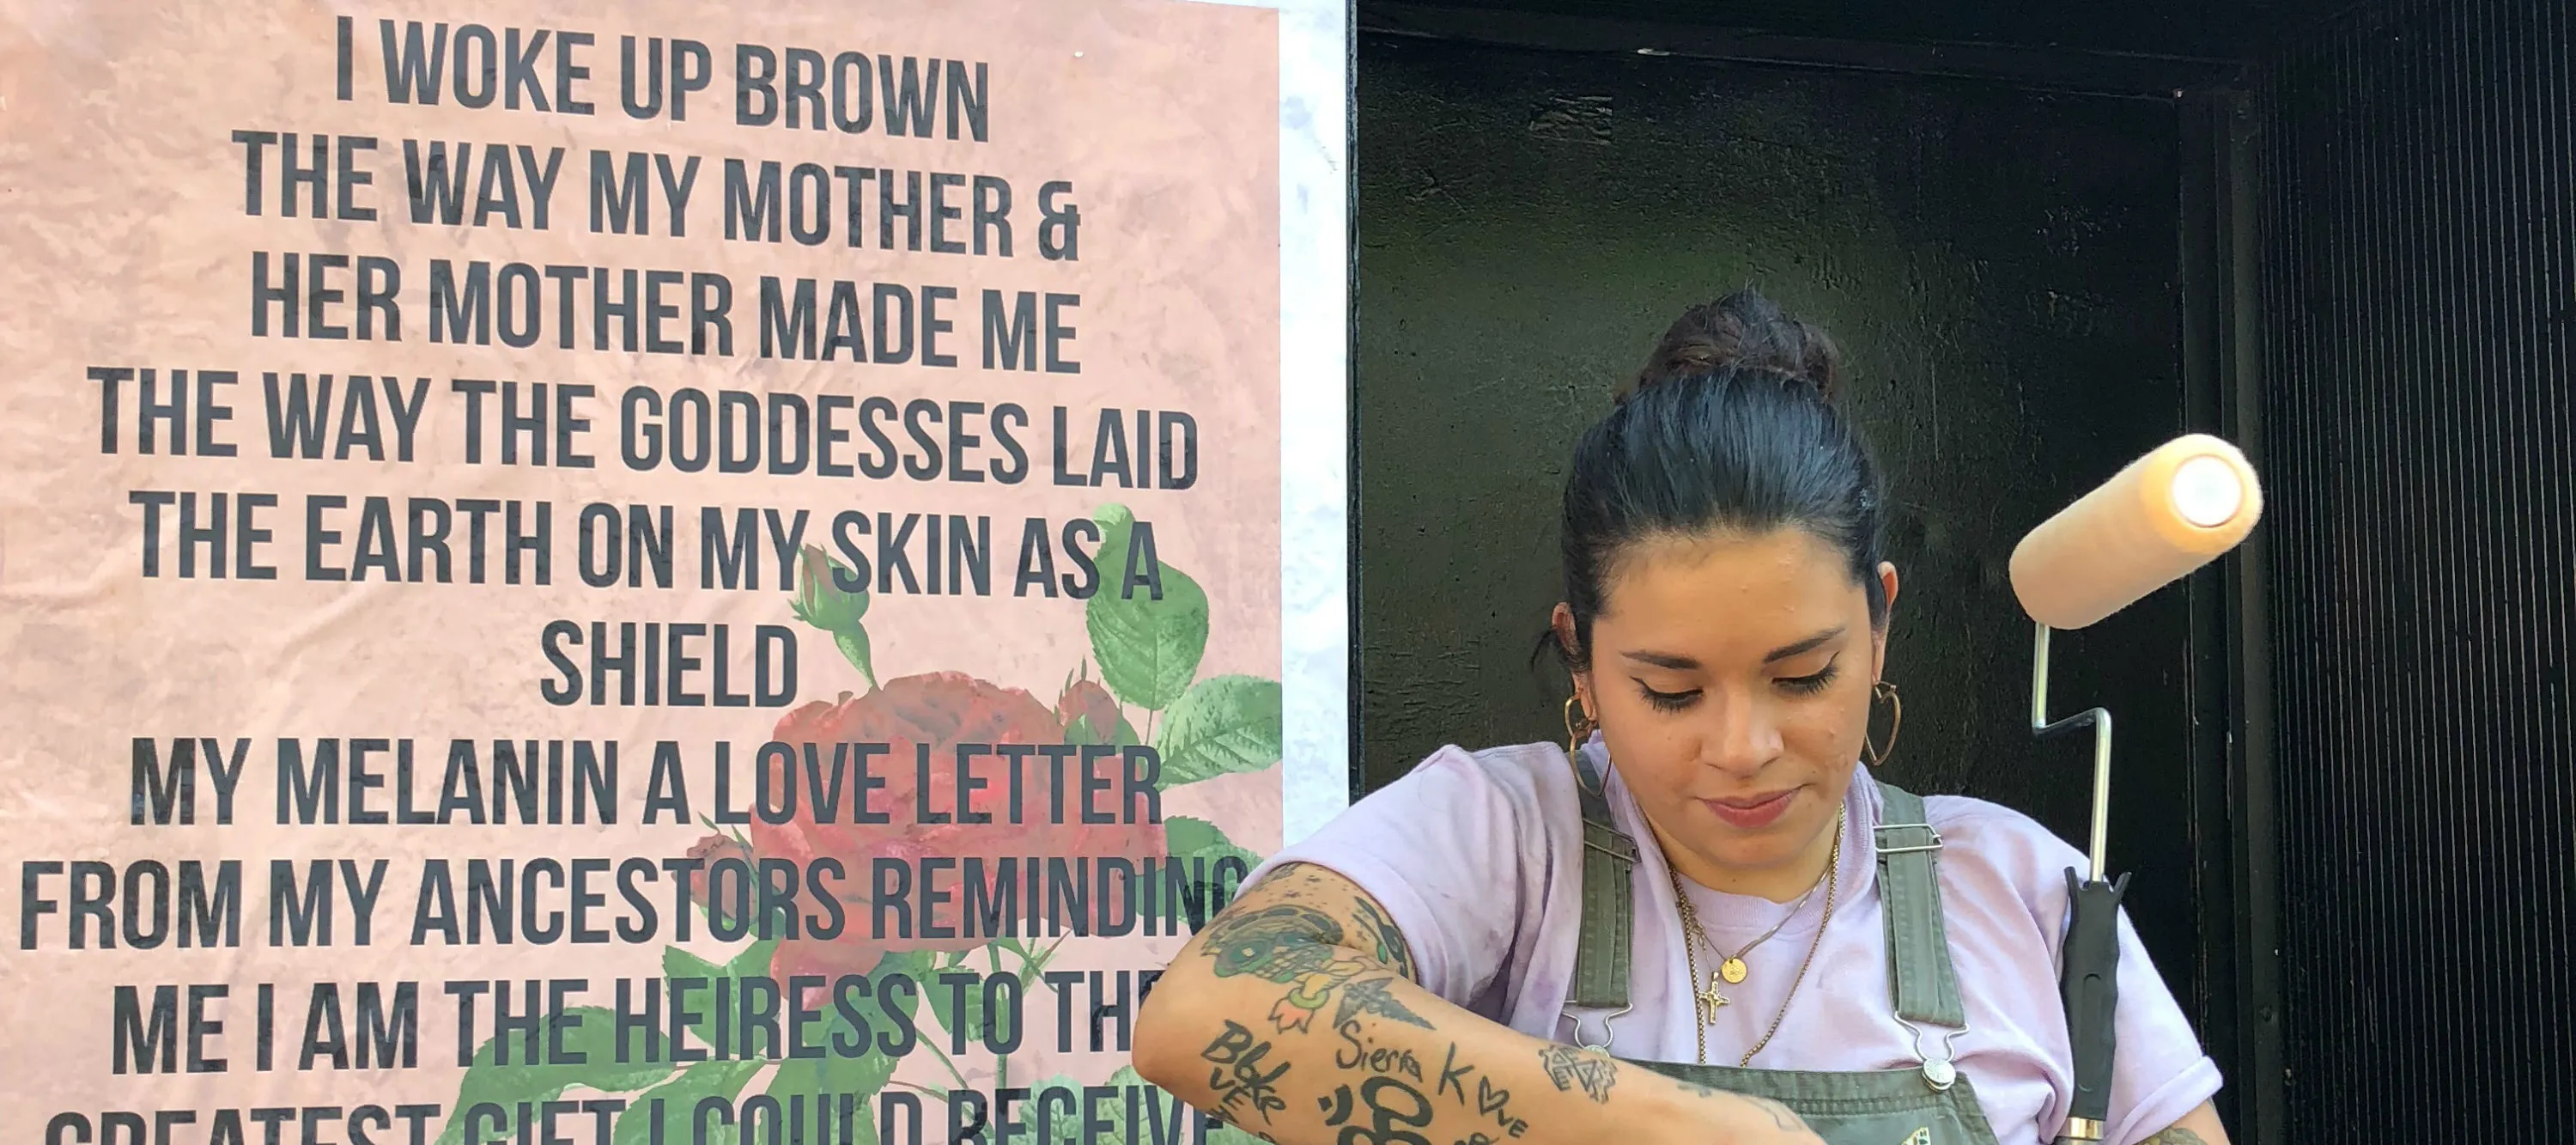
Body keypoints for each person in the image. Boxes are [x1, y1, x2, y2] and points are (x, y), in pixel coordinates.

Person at [1132, 290, 2229, 1145]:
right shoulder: (1509, 839)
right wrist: (1675, 1123)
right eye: (1670, 690)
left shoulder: (2022, 893)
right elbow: (1207, 1008)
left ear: (1881, 619)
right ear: (1583, 658)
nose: (1743, 748)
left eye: (1802, 676)